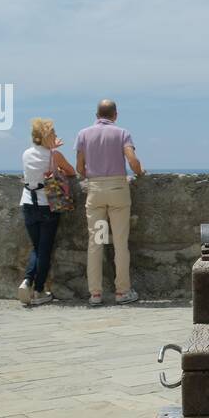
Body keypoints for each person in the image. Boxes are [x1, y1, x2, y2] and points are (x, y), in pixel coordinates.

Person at [76, 99, 145, 306]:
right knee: (120, 243)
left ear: (96, 115)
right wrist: (140, 172)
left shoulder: (83, 134)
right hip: (117, 191)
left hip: (96, 192)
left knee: (96, 243)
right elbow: (132, 160)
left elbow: (80, 167)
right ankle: (122, 291)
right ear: (115, 115)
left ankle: (95, 294)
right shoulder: (122, 133)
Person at [18, 118, 75, 306]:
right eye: (53, 134)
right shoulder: (54, 155)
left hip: (28, 203)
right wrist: (55, 155)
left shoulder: (26, 154)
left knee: (37, 248)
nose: (56, 136)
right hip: (47, 206)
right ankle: (39, 289)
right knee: (44, 250)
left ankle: (27, 281)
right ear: (47, 136)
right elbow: (71, 172)